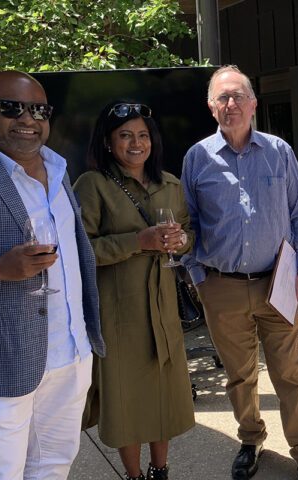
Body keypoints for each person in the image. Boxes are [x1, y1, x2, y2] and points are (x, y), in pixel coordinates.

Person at [181, 65, 298, 480]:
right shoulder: (197, 158)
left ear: (254, 104)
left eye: (238, 96)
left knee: (290, 373)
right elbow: (188, 223)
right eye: (222, 98)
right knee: (239, 375)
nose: (231, 105)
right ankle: (250, 437)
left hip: (277, 281)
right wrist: (197, 276)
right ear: (211, 107)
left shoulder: (278, 151)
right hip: (221, 286)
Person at [0, 70, 105, 478]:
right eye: (11, 107)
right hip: (2, 358)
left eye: (39, 109)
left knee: (54, 465)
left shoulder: (57, 168)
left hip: (70, 351)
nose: (28, 119)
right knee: (1, 472)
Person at [73, 101, 195, 480]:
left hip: (163, 307)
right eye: (125, 135)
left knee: (163, 395)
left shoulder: (170, 184)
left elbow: (188, 234)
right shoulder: (92, 185)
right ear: (109, 143)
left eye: (142, 135)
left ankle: (160, 470)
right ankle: (134, 475)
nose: (135, 143)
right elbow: (82, 250)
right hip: (118, 311)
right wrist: (137, 242)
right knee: (128, 400)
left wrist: (180, 242)